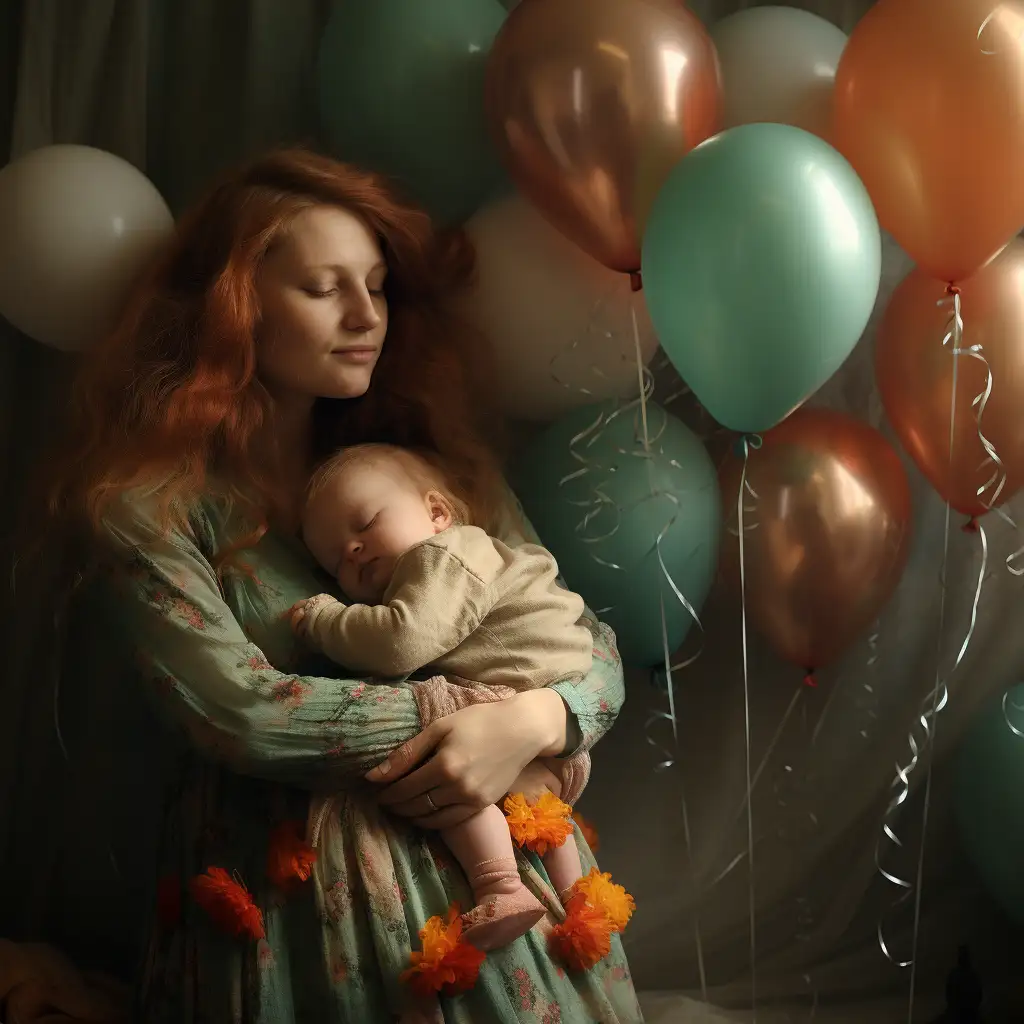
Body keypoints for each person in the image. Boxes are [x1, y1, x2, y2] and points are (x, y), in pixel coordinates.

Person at [44, 148, 642, 1023]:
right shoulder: (150, 507)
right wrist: (453, 717)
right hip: (297, 903)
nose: (367, 316)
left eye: (376, 285)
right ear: (235, 307)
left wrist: (534, 720)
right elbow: (237, 710)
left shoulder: (430, 472)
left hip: (510, 866)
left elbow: (582, 640)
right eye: (324, 289)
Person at [290, 442, 631, 960]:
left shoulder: (444, 553)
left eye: (365, 523)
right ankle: (579, 906)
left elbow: (399, 641)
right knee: (540, 809)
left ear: (436, 512)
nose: (353, 550)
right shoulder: (470, 558)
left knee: (445, 771)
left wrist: (322, 618)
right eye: (336, 559)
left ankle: (500, 887)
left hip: (512, 696)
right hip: (555, 716)